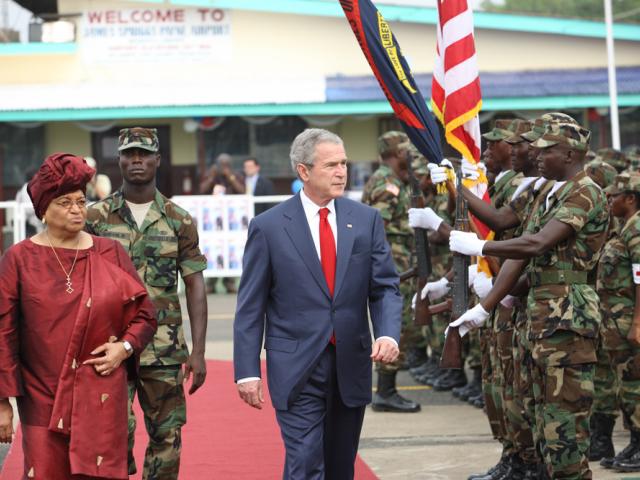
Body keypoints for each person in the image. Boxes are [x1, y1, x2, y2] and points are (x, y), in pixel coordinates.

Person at [234, 128, 402, 479]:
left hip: (350, 362)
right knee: (306, 462)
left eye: (344, 163)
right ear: (304, 171)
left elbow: (385, 286)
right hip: (296, 365)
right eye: (331, 165)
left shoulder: (366, 219)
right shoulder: (269, 227)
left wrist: (388, 333)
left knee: (340, 466)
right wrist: (247, 371)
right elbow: (251, 306)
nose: (341, 171)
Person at [448, 122, 608, 479]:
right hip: (539, 318)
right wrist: (486, 303)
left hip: (567, 321)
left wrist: (482, 247)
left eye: (546, 150)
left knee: (563, 431)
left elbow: (537, 244)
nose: (537, 155)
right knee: (539, 420)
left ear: (569, 154)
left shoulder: (585, 192)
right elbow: (523, 254)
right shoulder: (549, 193)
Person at [0, 153, 157, 479]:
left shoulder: (109, 252)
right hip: (41, 393)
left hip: (99, 392)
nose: (76, 209)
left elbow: (145, 316)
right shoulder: (19, 259)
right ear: (43, 209)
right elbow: (4, 332)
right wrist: (2, 402)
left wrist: (123, 349)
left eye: (80, 201)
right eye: (65, 202)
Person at [86, 128, 208, 480]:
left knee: (166, 436)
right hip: (108, 347)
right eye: (129, 154)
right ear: (119, 160)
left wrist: (197, 351)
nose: (136, 160)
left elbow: (195, 284)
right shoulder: (95, 219)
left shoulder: (178, 219)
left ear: (157, 159)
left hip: (164, 350)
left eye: (143, 154)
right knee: (112, 433)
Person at [361, 132, 422, 413]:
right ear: (397, 153)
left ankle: (388, 389)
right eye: (407, 151)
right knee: (398, 324)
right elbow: (377, 231)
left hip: (398, 261)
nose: (410, 156)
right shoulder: (387, 183)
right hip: (393, 264)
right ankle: (386, 391)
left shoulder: (393, 179)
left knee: (401, 323)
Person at [594, 172, 640, 472]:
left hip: (628, 321)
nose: (609, 200)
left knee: (636, 384)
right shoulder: (624, 228)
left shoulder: (636, 229)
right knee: (626, 385)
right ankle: (635, 442)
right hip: (615, 321)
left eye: (615, 196)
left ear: (631, 198)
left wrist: (637, 322)